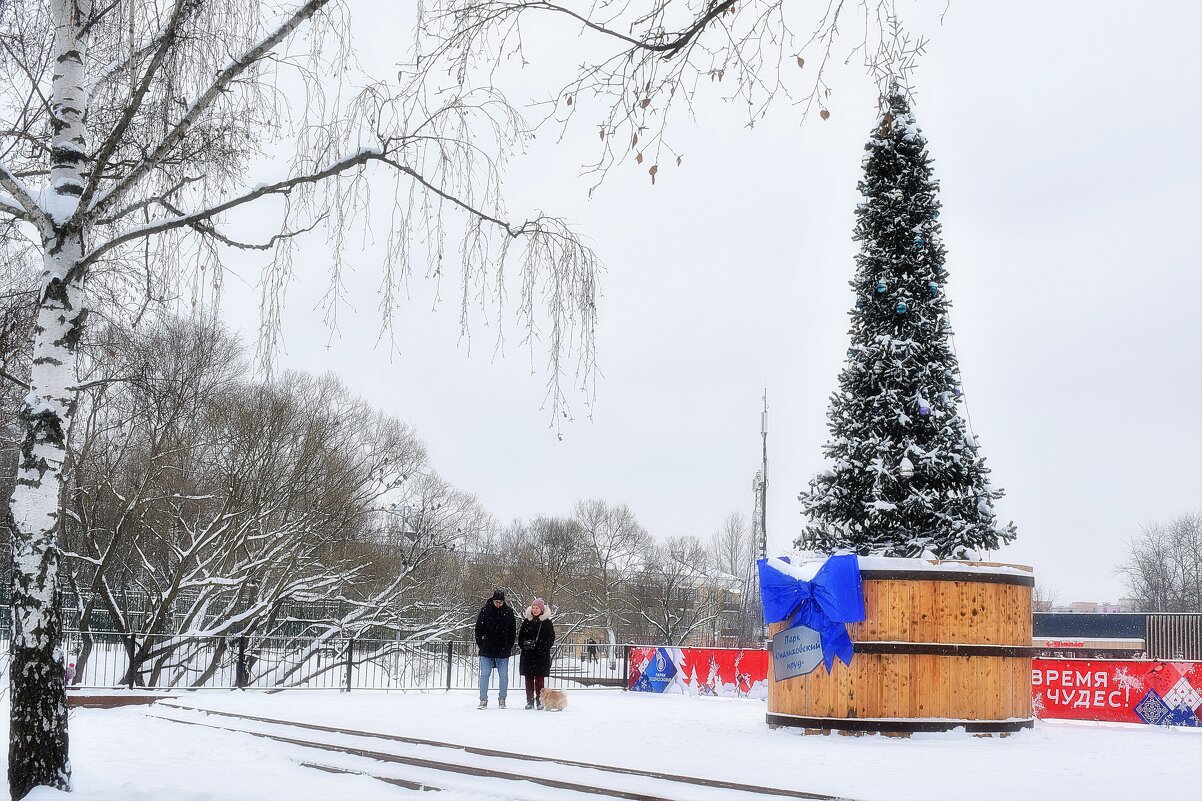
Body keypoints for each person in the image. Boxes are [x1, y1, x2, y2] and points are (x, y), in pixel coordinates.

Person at [475, 589, 516, 709]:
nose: (498, 604)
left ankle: (502, 698)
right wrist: (481, 644)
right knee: (485, 674)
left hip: (502, 650)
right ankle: (483, 699)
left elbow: (512, 631)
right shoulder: (485, 611)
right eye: (496, 601)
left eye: (500, 602)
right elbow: (478, 629)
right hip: (486, 649)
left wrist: (508, 645)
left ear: (503, 602)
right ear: (492, 600)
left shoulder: (508, 612)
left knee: (503, 675)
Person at [518, 597, 556, 709]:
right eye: (533, 608)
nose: (535, 610)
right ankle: (529, 701)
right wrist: (525, 644)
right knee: (528, 680)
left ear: (541, 610)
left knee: (539, 680)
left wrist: (540, 647)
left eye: (537, 608)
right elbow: (520, 638)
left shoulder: (547, 623)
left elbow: (550, 639)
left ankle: (540, 701)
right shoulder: (526, 622)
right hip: (527, 655)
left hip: (541, 656)